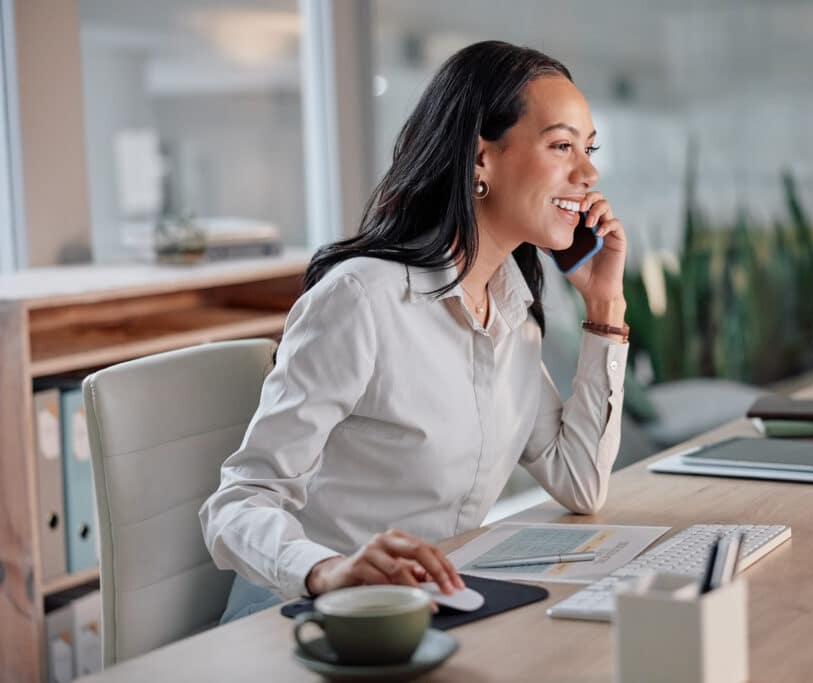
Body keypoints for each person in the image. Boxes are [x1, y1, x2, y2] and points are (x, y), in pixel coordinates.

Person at [199, 40, 630, 623]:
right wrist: (327, 571)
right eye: (561, 146)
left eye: (588, 148)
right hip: (303, 621)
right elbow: (237, 504)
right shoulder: (362, 300)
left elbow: (580, 482)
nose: (588, 172)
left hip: (429, 616)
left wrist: (605, 304)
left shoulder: (510, 317)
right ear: (481, 159)